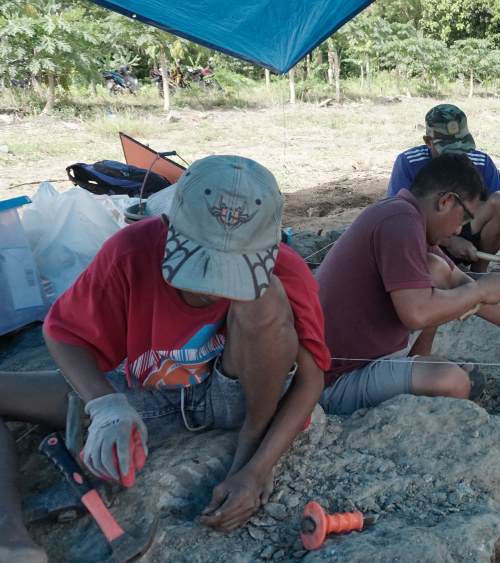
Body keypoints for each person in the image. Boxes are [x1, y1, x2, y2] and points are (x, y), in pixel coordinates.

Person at [0, 156, 330, 562]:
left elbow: (312, 379)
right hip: (151, 392)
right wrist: (106, 406)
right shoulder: (130, 251)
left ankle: (250, 436)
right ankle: (12, 538)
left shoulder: (285, 268)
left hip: (236, 393)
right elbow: (62, 333)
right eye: (199, 268)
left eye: (232, 273)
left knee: (266, 298)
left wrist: (255, 469)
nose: (213, 292)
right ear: (169, 226)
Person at [318, 153, 500, 415]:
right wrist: (479, 289)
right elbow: (417, 314)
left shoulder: (406, 218)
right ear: (446, 201)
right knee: (453, 382)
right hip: (336, 380)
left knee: (436, 269)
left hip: (368, 357)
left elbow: (454, 280)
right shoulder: (400, 222)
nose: (460, 230)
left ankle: (417, 365)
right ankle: (419, 375)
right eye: (464, 219)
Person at [387, 104, 500, 273]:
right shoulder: (409, 162)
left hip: (467, 233)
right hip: (427, 237)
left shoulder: (481, 162)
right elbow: (399, 219)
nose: (457, 155)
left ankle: (478, 273)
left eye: (462, 148)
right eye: (449, 149)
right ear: (428, 142)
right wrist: (450, 242)